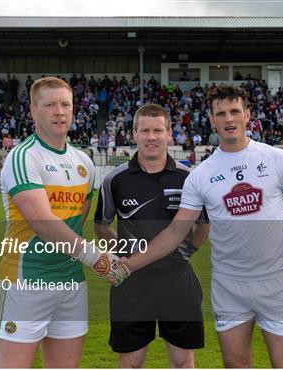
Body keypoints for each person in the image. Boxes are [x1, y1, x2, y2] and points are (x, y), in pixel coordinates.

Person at [121, 85, 283, 368]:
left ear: (247, 115)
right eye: (221, 113)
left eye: (234, 111)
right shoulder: (201, 175)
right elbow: (175, 232)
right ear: (212, 119)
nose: (229, 119)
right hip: (229, 285)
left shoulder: (276, 159)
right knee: (236, 366)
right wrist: (129, 265)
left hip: (275, 281)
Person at [0, 77, 128, 368]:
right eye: (50, 105)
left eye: (65, 104)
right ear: (33, 111)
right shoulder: (23, 157)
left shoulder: (85, 162)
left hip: (71, 284)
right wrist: (98, 259)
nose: (59, 111)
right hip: (27, 281)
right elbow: (43, 223)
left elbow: (77, 222)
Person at [94, 104, 209, 368]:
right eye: (144, 130)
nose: (151, 136)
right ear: (133, 134)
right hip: (132, 281)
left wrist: (183, 253)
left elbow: (203, 226)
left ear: (170, 133)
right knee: (131, 362)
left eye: (158, 130)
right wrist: (125, 253)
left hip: (178, 279)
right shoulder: (115, 179)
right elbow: (101, 225)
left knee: (182, 361)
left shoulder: (188, 178)